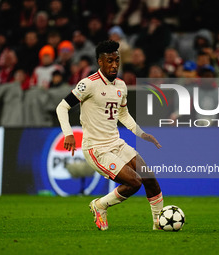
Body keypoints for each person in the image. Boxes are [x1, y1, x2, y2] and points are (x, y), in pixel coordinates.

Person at [56, 40, 163, 231]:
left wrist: (141, 133)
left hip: (117, 143)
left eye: (117, 60)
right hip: (97, 149)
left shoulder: (121, 85)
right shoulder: (88, 84)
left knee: (149, 178)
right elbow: (62, 107)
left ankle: (159, 223)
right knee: (134, 183)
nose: (114, 65)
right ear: (100, 62)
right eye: (109, 61)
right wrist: (68, 134)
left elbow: (123, 114)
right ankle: (100, 205)